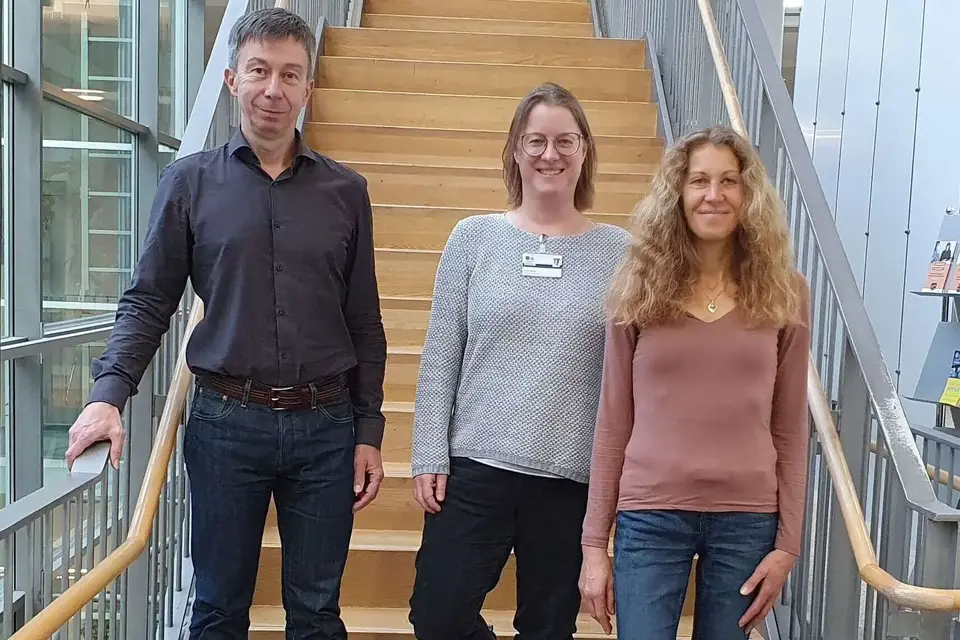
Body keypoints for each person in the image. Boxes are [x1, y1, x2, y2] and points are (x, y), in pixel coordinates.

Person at [63, 8, 386, 639]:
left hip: (326, 429)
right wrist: (108, 395)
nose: (273, 89)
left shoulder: (346, 192)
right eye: (259, 71)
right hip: (225, 426)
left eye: (289, 75)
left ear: (308, 88)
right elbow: (150, 300)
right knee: (217, 607)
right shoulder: (189, 183)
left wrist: (368, 429)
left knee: (317, 612)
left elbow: (364, 323)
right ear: (234, 80)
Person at [407, 82, 631, 639]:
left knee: (548, 628)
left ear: (584, 151)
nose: (550, 154)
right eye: (536, 141)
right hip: (474, 467)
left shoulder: (621, 253)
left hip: (569, 478)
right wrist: (428, 451)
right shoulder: (473, 239)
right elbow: (441, 354)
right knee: (436, 615)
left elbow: (631, 377)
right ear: (514, 149)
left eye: (565, 141)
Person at [578, 125, 811, 639]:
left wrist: (788, 546)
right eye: (699, 180)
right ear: (677, 193)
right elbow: (613, 420)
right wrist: (594, 545)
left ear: (748, 195)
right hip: (651, 514)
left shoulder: (787, 293)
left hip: (747, 520)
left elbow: (791, 427)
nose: (714, 194)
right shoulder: (637, 287)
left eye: (729, 181)